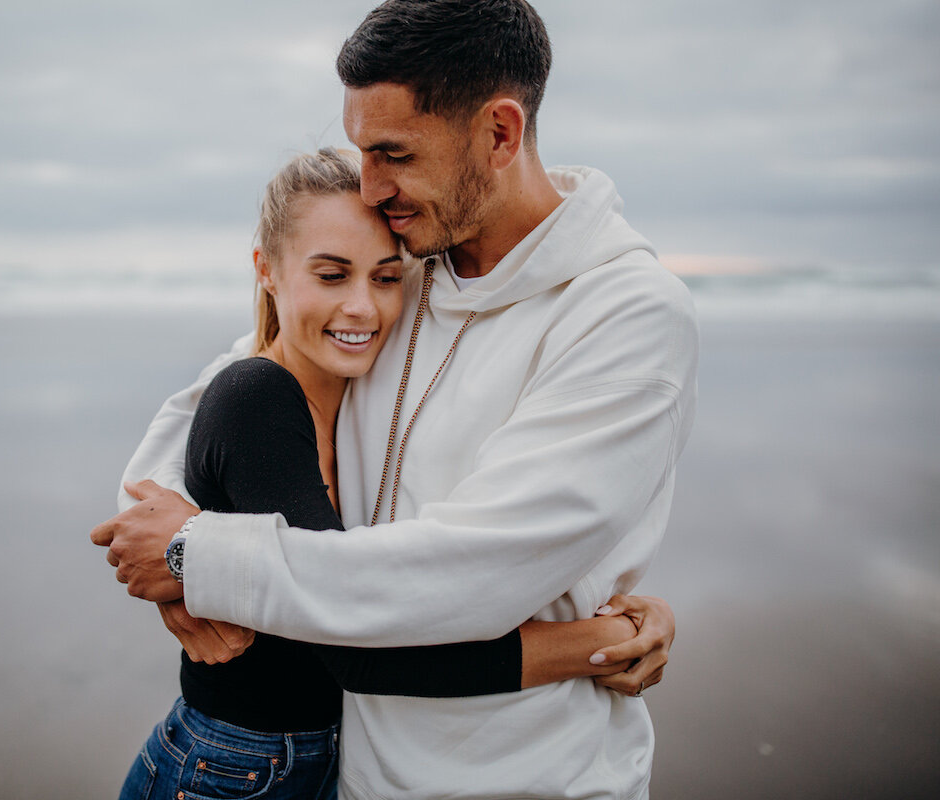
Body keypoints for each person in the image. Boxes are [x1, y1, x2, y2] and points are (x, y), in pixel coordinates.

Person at [94, 1, 698, 797]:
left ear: (500, 134)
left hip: (529, 777)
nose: (372, 188)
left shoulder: (625, 315)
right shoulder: (413, 266)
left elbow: (466, 574)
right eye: (361, 153)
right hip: (357, 767)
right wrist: (170, 537)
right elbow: (242, 382)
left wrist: (198, 557)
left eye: (393, 154)